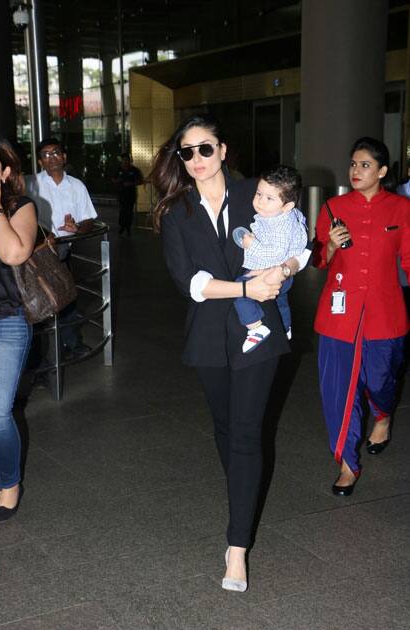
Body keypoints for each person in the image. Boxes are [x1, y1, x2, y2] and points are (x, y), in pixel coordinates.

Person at [150, 113, 309, 592]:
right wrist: (245, 283)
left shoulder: (253, 195)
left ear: (222, 151)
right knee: (225, 427)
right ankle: (243, 487)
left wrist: (283, 269)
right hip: (208, 335)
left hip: (257, 330)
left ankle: (236, 547)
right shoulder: (176, 211)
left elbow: (296, 235)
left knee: (245, 432)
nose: (196, 159)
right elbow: (190, 283)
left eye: (205, 148)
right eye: (187, 152)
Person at [313, 137, 410, 497]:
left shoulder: (401, 209)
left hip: (386, 313)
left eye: (365, 165)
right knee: (341, 390)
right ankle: (347, 464)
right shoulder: (333, 207)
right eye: (353, 164)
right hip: (339, 315)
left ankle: (382, 415)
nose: (356, 171)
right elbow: (318, 257)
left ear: (382, 171)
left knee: (382, 379)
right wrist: (331, 246)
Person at [0, 133, 37, 521]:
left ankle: (10, 482)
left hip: (6, 320)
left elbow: (13, 253)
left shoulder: (20, 207)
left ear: (5, 171)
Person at [26, 138, 97, 357]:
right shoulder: (30, 185)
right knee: (36, 301)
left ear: (64, 157)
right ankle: (36, 358)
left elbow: (88, 219)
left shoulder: (76, 186)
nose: (52, 158)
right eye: (46, 155)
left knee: (66, 297)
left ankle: (71, 344)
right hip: (35, 253)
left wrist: (76, 228)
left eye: (56, 152)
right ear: (40, 161)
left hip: (63, 250)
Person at [232, 166, 307, 352]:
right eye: (258, 194)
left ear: (287, 206)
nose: (260, 202)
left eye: (269, 198)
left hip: (273, 271)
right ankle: (285, 328)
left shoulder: (280, 226)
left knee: (240, 291)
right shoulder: (288, 215)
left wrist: (252, 245)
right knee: (281, 300)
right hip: (283, 276)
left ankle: (256, 328)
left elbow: (276, 254)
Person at [112, 153, 143, 235]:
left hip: (131, 194)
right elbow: (113, 179)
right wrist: (119, 180)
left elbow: (140, 180)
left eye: (127, 160)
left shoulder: (134, 170)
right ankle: (122, 226)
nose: (125, 161)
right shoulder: (118, 170)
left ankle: (128, 227)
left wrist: (131, 183)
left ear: (129, 160)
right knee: (122, 210)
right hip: (121, 194)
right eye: (124, 160)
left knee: (129, 211)